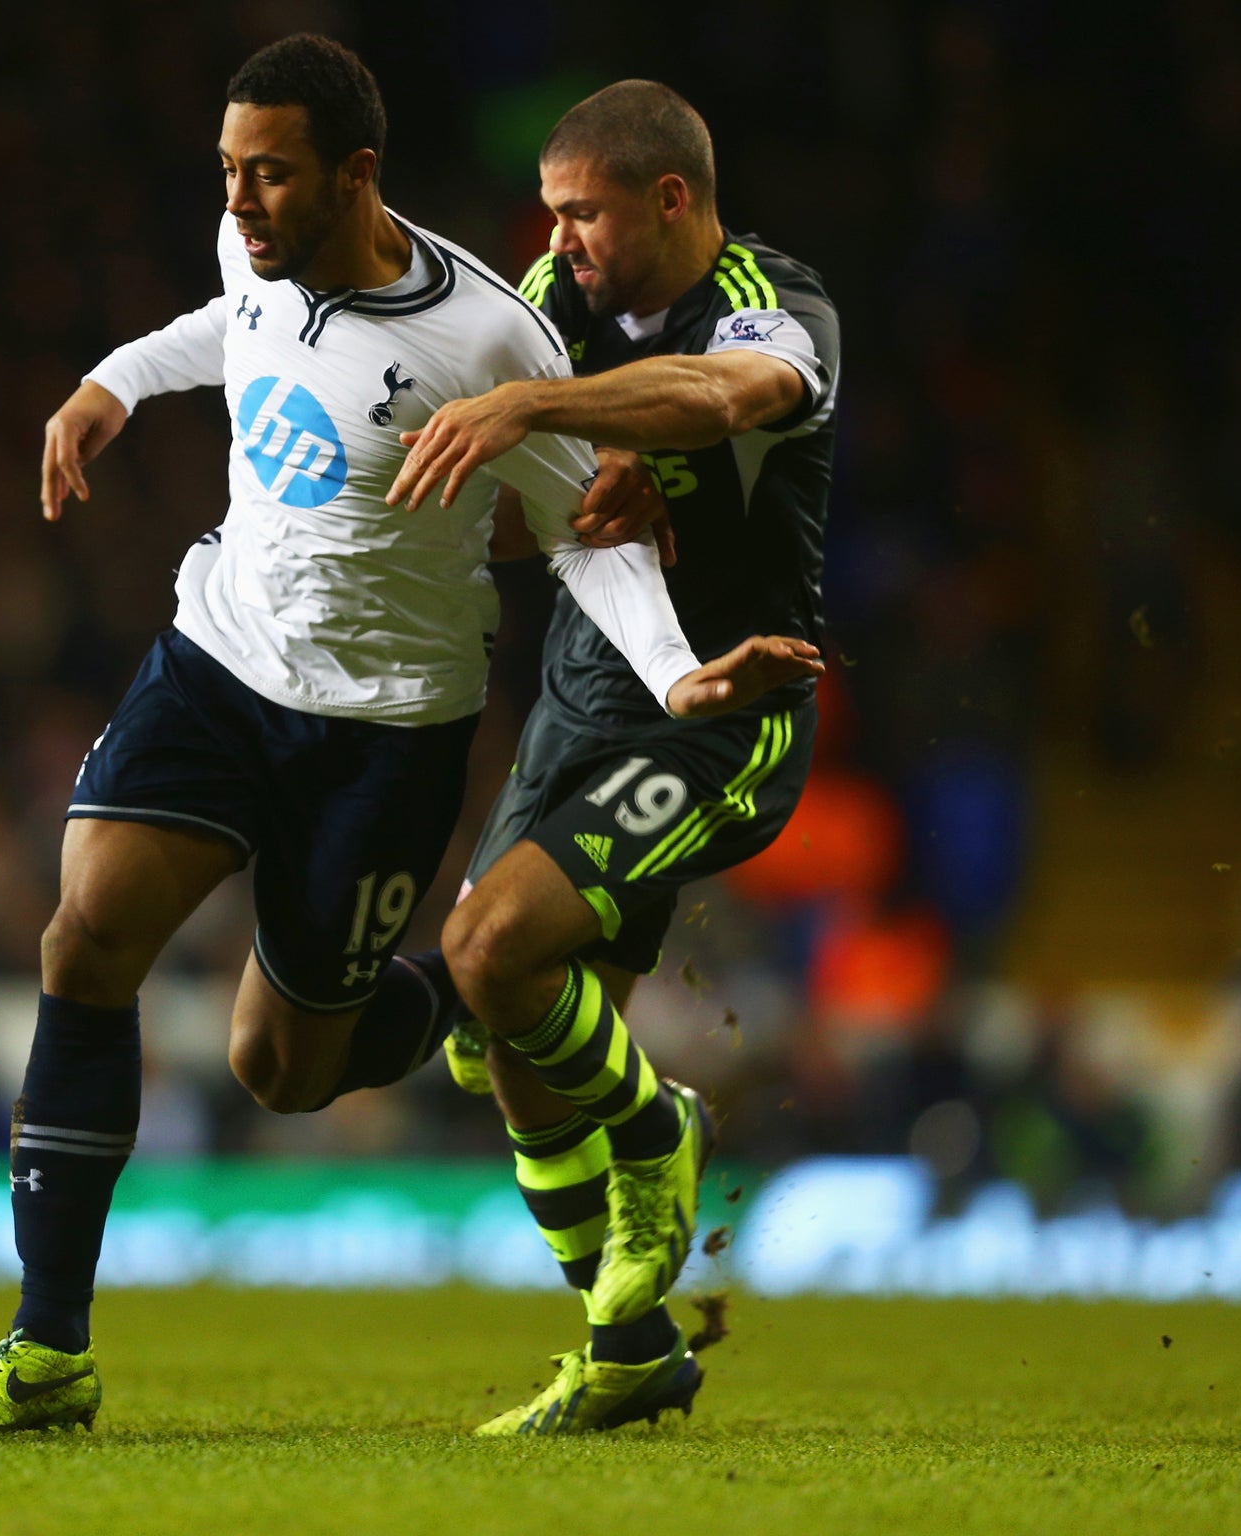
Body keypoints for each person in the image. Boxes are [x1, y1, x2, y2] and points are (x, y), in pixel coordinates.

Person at [0, 37, 819, 1436]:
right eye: (227, 174)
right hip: (219, 657)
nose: (240, 203)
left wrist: (677, 664)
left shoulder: (503, 334)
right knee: (85, 931)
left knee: (288, 1071)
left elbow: (608, 514)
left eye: (266, 174)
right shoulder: (264, 255)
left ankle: (538, 1122)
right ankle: (47, 1349)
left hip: (391, 727)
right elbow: (226, 329)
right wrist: (113, 384)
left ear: (355, 172)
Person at [383, 80, 842, 1434]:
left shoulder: (775, 298)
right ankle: (629, 1350)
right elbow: (524, 525)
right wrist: (553, 471)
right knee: (498, 1036)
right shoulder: (551, 300)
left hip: (722, 712)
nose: (560, 237)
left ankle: (660, 1133)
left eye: (582, 212)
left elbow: (731, 392)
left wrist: (545, 406)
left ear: (672, 201)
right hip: (584, 694)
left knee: (491, 958)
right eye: (551, 212)